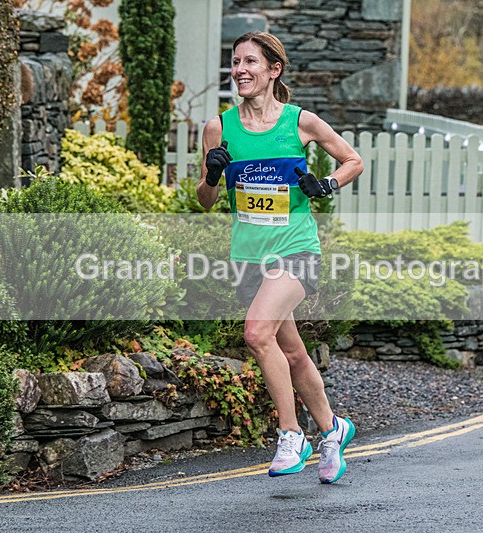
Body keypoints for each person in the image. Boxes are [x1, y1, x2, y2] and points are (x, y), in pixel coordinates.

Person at [196, 32, 363, 482]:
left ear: (274, 70)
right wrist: (212, 174)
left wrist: (326, 185)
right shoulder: (219, 128)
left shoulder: (299, 122)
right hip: (249, 258)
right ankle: (333, 429)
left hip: (296, 249)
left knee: (256, 333)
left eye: (251, 61)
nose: (241, 70)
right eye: (235, 62)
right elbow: (205, 201)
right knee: (291, 352)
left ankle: (292, 433)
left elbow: (353, 160)